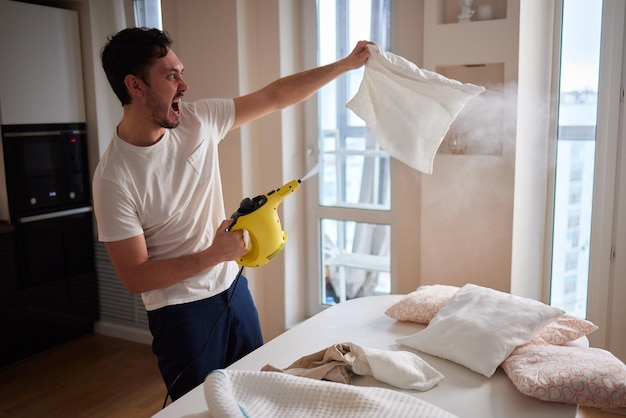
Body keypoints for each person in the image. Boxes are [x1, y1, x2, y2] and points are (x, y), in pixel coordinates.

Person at [92, 27, 372, 402]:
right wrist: (214, 254)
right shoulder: (114, 177)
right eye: (171, 75)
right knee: (199, 407)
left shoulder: (198, 120)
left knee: (254, 393)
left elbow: (274, 97)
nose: (184, 85)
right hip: (179, 312)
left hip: (232, 290)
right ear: (136, 86)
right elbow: (135, 276)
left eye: (181, 72)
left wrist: (347, 64)